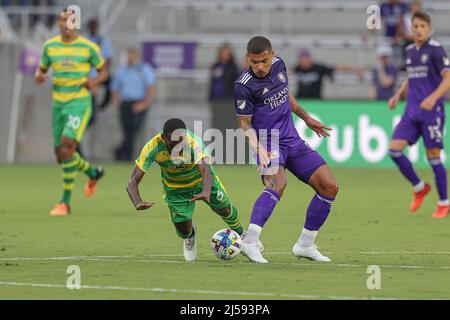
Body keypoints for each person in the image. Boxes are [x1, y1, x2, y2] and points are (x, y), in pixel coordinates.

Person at [234, 36, 339, 263]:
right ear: (247, 59)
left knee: (329, 186)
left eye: (263, 60)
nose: (259, 67)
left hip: (292, 138)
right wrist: (257, 147)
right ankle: (250, 242)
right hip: (267, 141)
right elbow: (244, 123)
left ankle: (305, 244)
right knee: (277, 184)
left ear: (272, 54)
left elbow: (286, 96)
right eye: (254, 62)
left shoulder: (280, 65)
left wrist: (307, 118)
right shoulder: (243, 86)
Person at [126, 118, 244, 262]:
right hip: (176, 190)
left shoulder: (193, 142)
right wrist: (137, 202)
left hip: (201, 182)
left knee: (224, 209)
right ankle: (190, 236)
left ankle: (243, 236)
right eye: (172, 144)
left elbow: (206, 170)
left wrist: (206, 191)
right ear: (163, 138)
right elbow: (132, 181)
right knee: (183, 230)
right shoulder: (152, 147)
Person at [35, 9, 108, 216]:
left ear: (76, 25)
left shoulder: (88, 47)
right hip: (58, 103)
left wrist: (92, 81)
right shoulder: (50, 46)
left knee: (68, 147)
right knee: (61, 156)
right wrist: (39, 76)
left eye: (68, 21)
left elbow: (104, 72)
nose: (64, 24)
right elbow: (41, 70)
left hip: (79, 102)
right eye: (61, 21)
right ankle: (93, 173)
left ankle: (64, 203)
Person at [388, 11, 450, 219]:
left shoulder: (436, 50)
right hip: (412, 111)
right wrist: (397, 95)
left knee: (433, 156)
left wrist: (434, 98)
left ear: (429, 28)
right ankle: (419, 186)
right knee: (394, 150)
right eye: (416, 26)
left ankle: (444, 202)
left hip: (432, 112)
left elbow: (448, 78)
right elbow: (410, 77)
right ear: (411, 29)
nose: (419, 30)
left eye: (423, 26)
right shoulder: (409, 51)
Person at [111, 47, 156, 161]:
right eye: (128, 57)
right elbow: (115, 88)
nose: (130, 59)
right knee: (126, 130)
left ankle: (123, 153)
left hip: (138, 103)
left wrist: (144, 104)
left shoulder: (144, 69)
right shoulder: (122, 71)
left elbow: (150, 87)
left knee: (133, 129)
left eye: (132, 56)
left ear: (136, 57)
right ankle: (125, 154)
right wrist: (117, 102)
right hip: (125, 104)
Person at [209, 43, 240, 163]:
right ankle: (217, 156)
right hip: (217, 104)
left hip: (228, 104)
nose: (224, 56)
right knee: (217, 132)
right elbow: (212, 84)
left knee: (229, 131)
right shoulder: (215, 66)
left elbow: (235, 86)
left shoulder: (233, 68)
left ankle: (231, 157)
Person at [293, 49, 363, 99]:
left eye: (305, 59)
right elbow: (288, 71)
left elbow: (336, 68)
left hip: (315, 100)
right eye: (302, 60)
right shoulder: (298, 68)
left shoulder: (318, 68)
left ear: (309, 59)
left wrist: (355, 69)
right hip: (301, 100)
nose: (304, 62)